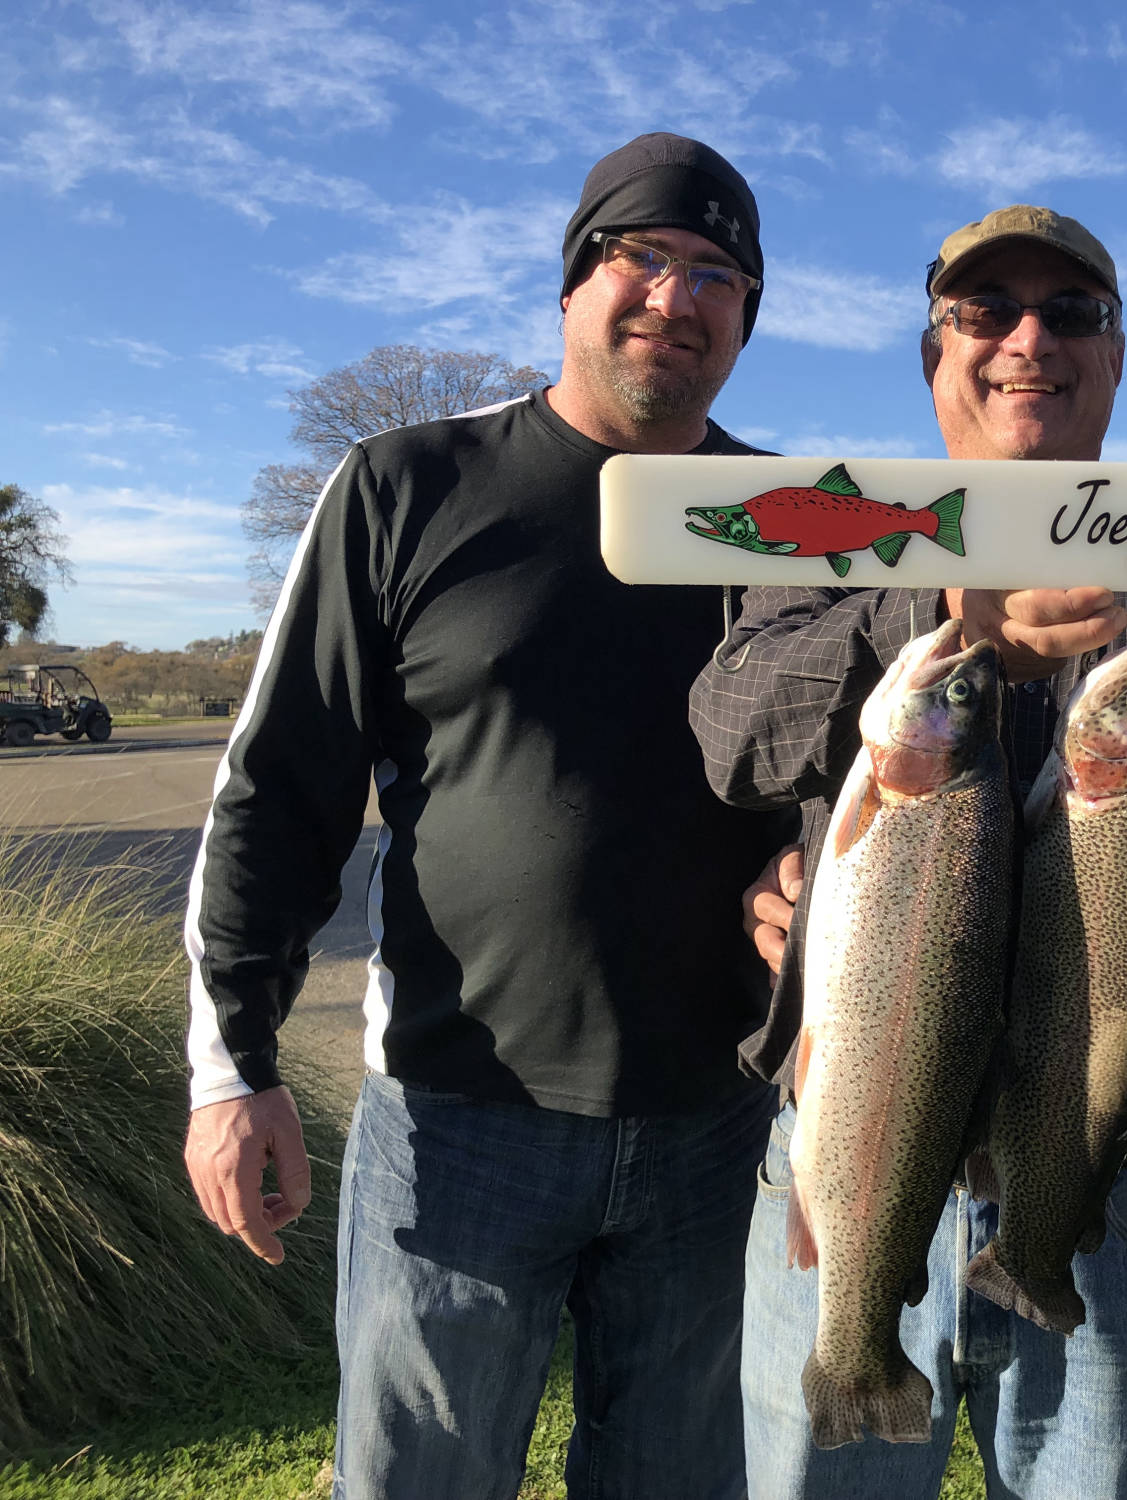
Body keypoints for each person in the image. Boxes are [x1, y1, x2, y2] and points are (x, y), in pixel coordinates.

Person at [182, 132, 790, 1500]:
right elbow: (278, 795)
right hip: (462, 1122)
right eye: (642, 257)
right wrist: (235, 1068)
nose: (675, 299)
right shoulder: (407, 490)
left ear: (747, 318)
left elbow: (845, 775)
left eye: (717, 275)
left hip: (712, 1126)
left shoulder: (788, 524)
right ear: (573, 280)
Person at [689, 204, 1127, 1500]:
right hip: (853, 1138)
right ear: (934, 361)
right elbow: (731, 733)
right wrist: (941, 609)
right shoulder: (833, 526)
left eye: (1071, 314)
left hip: (1114, 1185)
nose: (1031, 339)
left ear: (1118, 360)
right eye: (988, 312)